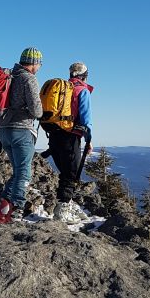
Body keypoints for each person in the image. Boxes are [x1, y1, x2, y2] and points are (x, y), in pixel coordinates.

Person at [0, 47, 43, 225]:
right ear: (34, 63)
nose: (39, 67)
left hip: (4, 131)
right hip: (21, 131)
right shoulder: (29, 79)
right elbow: (36, 110)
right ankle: (16, 213)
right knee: (24, 173)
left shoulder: (9, 75)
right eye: (39, 64)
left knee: (16, 173)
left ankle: (2, 213)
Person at [47, 61, 94, 221]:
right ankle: (62, 211)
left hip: (53, 135)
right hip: (70, 137)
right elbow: (86, 119)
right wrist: (88, 141)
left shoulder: (61, 89)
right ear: (85, 76)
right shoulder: (82, 91)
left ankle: (68, 204)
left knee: (65, 172)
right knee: (71, 174)